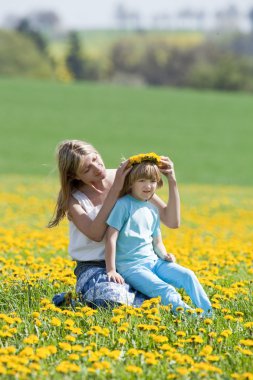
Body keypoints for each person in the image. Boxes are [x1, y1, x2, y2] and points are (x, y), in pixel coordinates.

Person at [48, 141, 178, 308]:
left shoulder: (124, 177)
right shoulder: (73, 199)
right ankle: (72, 302)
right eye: (87, 169)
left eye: (95, 159)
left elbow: (171, 220)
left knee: (159, 301)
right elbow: (96, 234)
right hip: (96, 266)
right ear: (74, 176)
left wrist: (172, 180)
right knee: (115, 300)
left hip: (133, 262)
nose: (97, 168)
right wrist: (116, 189)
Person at [105, 153, 212, 315]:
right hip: (132, 268)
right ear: (131, 183)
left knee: (188, 275)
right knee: (165, 289)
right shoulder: (123, 205)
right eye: (142, 181)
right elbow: (110, 238)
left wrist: (165, 254)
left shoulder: (152, 208)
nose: (148, 186)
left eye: (153, 181)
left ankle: (208, 314)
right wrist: (111, 269)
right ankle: (192, 318)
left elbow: (157, 242)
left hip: (154, 262)